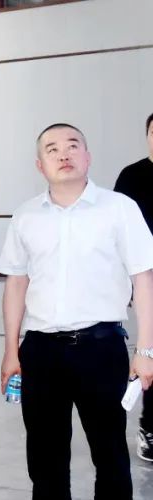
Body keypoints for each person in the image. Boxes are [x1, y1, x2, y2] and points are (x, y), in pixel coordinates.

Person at [0, 122, 153, 500]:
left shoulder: (119, 209)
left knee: (110, 456)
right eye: (52, 148)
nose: (63, 154)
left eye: (72, 146)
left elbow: (144, 279)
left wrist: (146, 349)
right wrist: (10, 351)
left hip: (101, 348)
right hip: (40, 350)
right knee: (45, 454)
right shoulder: (27, 216)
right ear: (39, 164)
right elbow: (16, 284)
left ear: (87, 156)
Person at [113, 111, 153, 463]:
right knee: (151, 352)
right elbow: (117, 231)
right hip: (147, 277)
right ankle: (149, 427)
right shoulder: (132, 176)